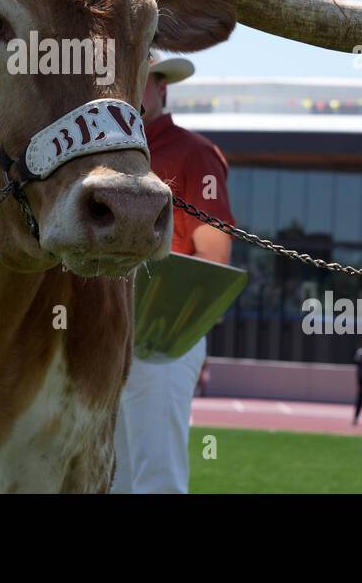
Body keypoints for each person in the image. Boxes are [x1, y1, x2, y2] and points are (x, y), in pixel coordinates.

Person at [112, 53, 233, 494]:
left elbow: (213, 258)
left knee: (156, 475)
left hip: (162, 334)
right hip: (108, 334)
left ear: (162, 86)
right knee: (113, 479)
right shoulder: (101, 151)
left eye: (139, 79)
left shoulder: (194, 153)